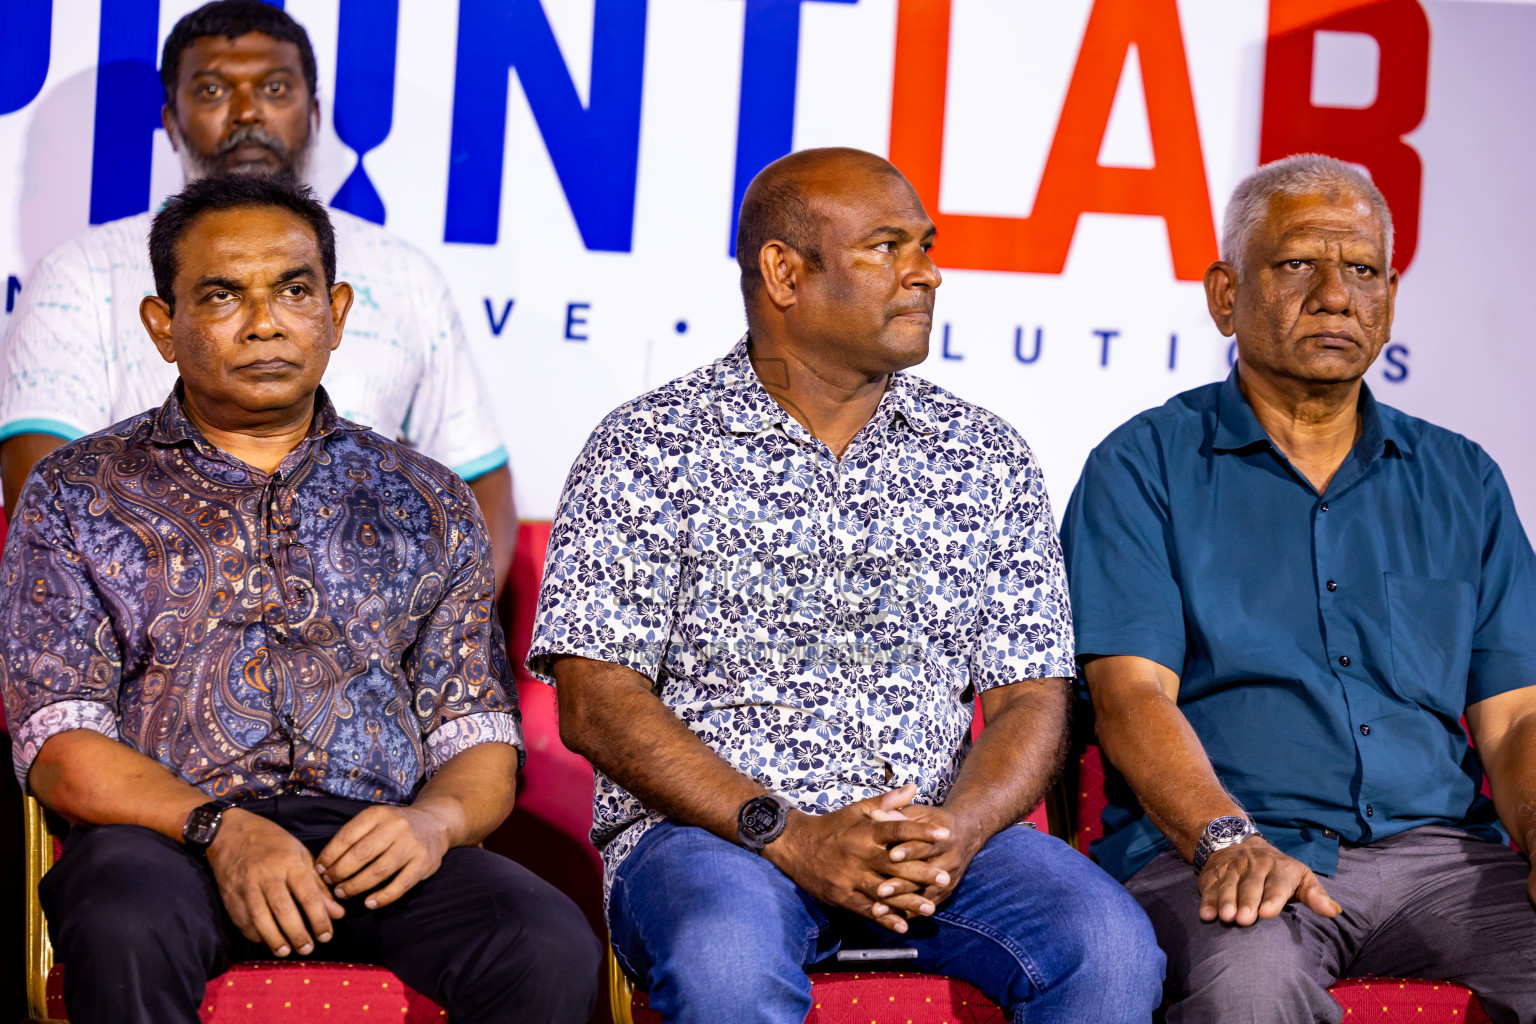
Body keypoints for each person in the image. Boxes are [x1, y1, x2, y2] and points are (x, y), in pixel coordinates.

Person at [527, 146, 1164, 1024]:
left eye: (927, 246)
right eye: (887, 248)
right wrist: (789, 834)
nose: (927, 274)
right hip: (720, 840)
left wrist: (960, 829)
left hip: (941, 842)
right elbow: (597, 702)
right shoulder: (648, 448)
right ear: (784, 273)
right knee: (725, 965)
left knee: (1113, 950)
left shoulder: (985, 455)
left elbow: (1032, 697)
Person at [0, 174, 600, 1024]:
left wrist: (430, 825)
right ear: (161, 326)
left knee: (544, 939)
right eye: (221, 295)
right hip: (168, 840)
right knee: (124, 914)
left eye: (293, 290)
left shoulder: (424, 498)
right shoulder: (79, 492)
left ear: (338, 310)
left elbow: (481, 739)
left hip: (376, 841)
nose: (265, 322)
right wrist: (218, 829)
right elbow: (60, 745)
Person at [1061, 154, 1536, 1023]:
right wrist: (1225, 836)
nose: (1333, 294)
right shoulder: (1143, 467)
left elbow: (1515, 717)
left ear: (1389, 295)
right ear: (1223, 295)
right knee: (1250, 990)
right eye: (1296, 265)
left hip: (1443, 858)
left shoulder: (1463, 479)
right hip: (1228, 848)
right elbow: (1129, 697)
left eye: (1361, 270)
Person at [0, 0, 518, 592]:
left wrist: (433, 627)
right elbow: (43, 486)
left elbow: (481, 486)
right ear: (171, 121)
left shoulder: (405, 274)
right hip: (159, 646)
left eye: (274, 88)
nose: (247, 113)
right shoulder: (80, 272)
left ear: (314, 114)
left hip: (367, 650)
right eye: (215, 91)